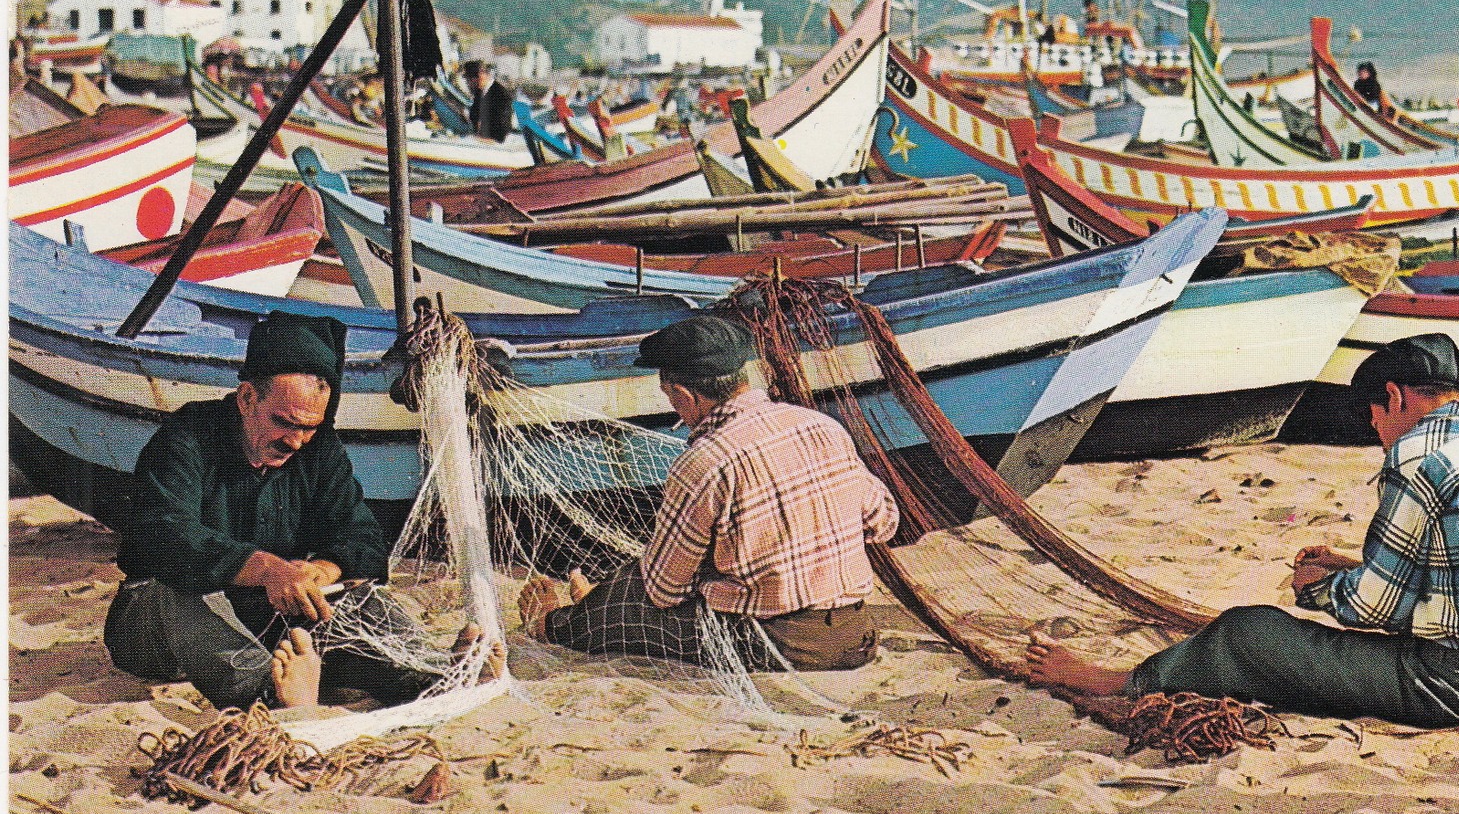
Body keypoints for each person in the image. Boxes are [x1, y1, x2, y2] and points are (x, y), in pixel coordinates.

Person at [1025, 333, 1459, 729]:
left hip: (1458, 686)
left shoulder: (1417, 455)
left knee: (1248, 634)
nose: (1379, 433)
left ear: (1392, 397)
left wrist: (1315, 588)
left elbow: (1373, 611)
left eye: (1375, 418)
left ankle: (1120, 682)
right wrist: (1349, 566)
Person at [104, 311, 497, 710]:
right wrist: (269, 569)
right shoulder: (185, 438)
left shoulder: (319, 449)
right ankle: (270, 694)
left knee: (357, 597)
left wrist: (321, 571)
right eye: (285, 423)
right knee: (180, 591)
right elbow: (166, 538)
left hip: (266, 620)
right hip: (156, 628)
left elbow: (361, 537)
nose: (296, 441)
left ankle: (432, 676)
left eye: (310, 427)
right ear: (246, 399)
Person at [519, 315, 899, 671]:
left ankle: (550, 623)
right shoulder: (821, 426)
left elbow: (663, 591)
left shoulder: (704, 463)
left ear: (684, 395)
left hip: (776, 645)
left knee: (634, 591)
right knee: (655, 577)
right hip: (856, 635)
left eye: (671, 398)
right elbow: (884, 522)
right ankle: (592, 605)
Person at [464, 59, 513, 143]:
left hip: (493, 146)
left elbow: (503, 127)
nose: (468, 84)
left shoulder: (501, 94)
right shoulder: (480, 92)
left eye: (468, 80)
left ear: (479, 77)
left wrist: (484, 139)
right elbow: (474, 116)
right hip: (480, 142)